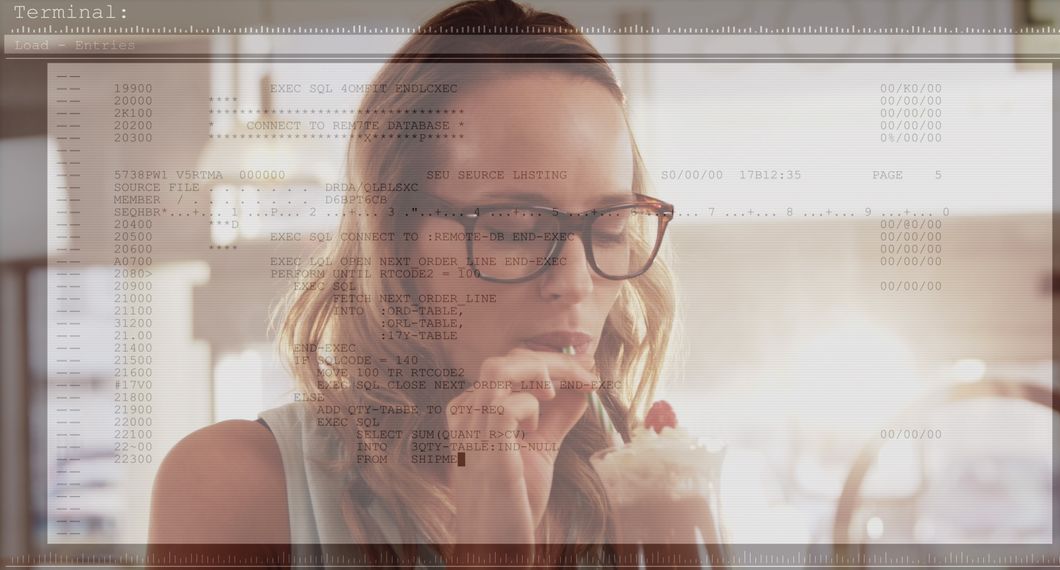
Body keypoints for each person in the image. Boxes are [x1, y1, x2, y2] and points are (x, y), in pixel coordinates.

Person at [149, 0, 677, 566]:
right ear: (395, 239)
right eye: (513, 228)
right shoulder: (234, 483)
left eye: (612, 224)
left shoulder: (636, 480)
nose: (575, 283)